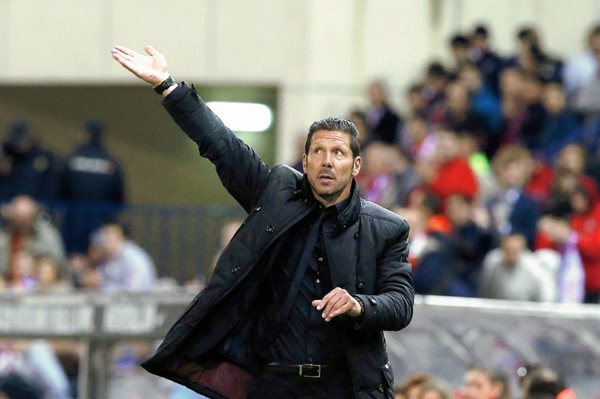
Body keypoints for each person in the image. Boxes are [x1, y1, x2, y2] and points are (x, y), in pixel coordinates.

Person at [111, 45, 414, 399]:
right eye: (318, 152)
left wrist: (361, 304)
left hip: (345, 386)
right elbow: (221, 145)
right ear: (305, 160)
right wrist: (168, 86)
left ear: (356, 165)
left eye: (338, 153)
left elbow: (401, 302)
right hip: (272, 384)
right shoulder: (275, 193)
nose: (327, 162)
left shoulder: (386, 228)